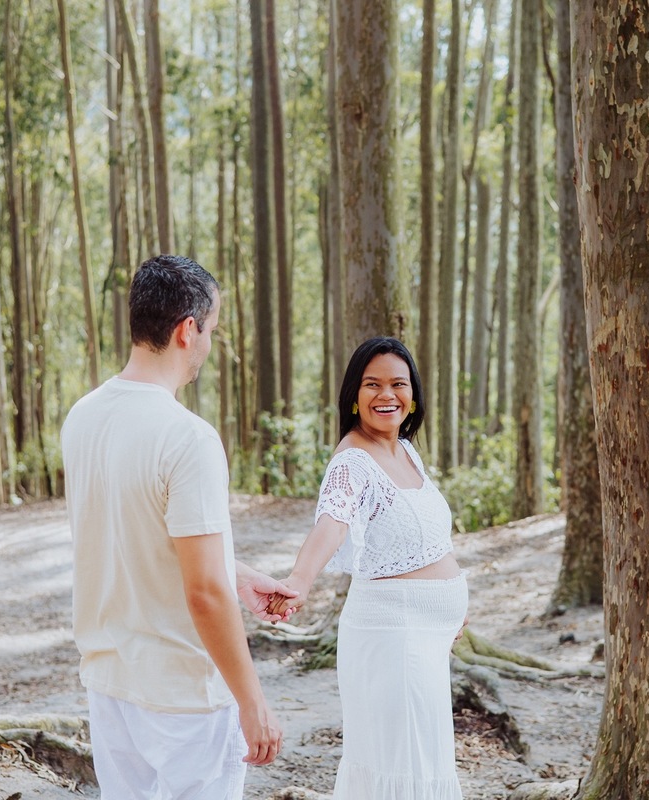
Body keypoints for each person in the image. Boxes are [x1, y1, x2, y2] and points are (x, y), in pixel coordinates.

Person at [61, 254, 295, 799]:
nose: (211, 345)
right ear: (187, 331)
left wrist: (236, 573)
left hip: (111, 683)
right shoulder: (188, 438)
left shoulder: (84, 417)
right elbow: (204, 593)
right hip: (184, 694)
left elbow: (130, 533)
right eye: (212, 329)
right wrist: (251, 699)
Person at [272, 336, 468, 799]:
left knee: (426, 758)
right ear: (354, 397)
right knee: (403, 765)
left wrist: (452, 605)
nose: (387, 395)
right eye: (372, 385)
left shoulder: (405, 450)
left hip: (428, 635)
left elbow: (431, 539)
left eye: (398, 384)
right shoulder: (353, 461)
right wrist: (299, 580)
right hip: (393, 636)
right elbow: (332, 525)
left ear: (413, 394)